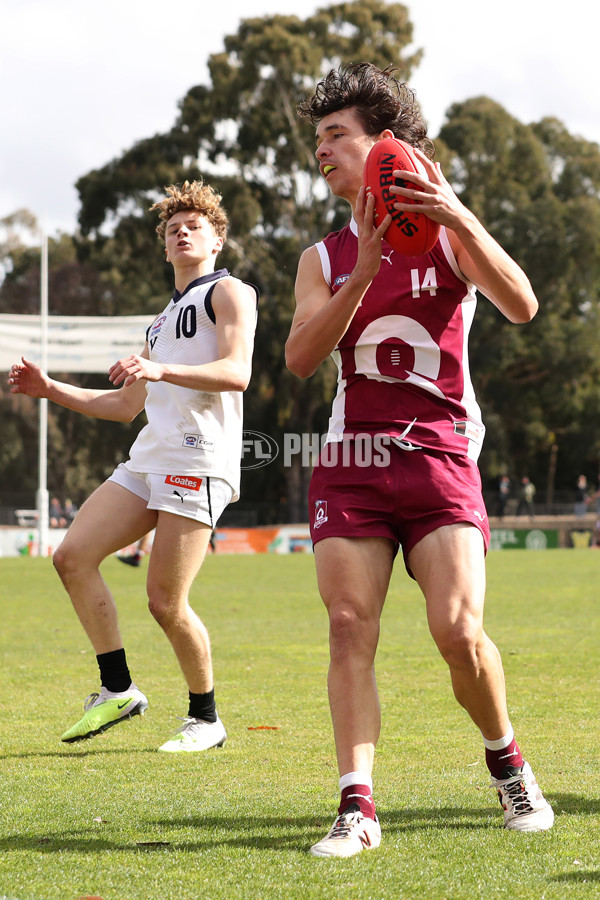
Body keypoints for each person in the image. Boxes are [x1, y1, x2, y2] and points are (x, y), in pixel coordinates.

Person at [286, 63, 553, 858]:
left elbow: (523, 304)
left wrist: (460, 214)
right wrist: (363, 268)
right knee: (346, 625)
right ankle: (357, 807)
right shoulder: (323, 256)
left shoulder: (445, 230)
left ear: (384, 147)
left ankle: (507, 763)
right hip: (353, 458)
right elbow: (301, 358)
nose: (322, 151)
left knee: (458, 630)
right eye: (319, 138)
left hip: (439, 456)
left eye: (337, 136)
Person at [8, 180, 258, 752]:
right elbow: (123, 407)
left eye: (194, 225)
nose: (181, 232)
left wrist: (160, 370)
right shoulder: (159, 323)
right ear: (164, 248)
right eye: (173, 229)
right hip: (148, 460)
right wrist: (51, 389)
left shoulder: (230, 293)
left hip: (198, 460)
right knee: (71, 557)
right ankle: (117, 689)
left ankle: (205, 718)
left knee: (165, 601)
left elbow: (237, 372)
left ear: (216, 239)